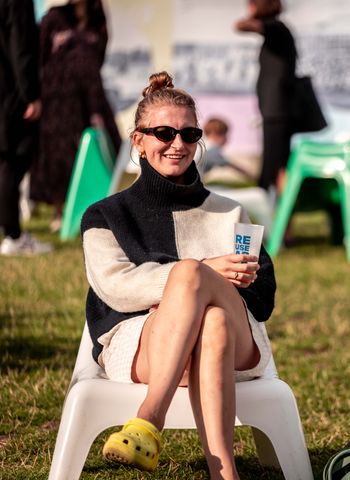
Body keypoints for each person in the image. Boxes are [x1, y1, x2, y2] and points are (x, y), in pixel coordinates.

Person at [80, 71, 275, 479]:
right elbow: (114, 287)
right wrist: (196, 275)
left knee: (212, 303)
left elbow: (263, 300)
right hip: (142, 346)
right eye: (164, 133)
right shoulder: (105, 214)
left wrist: (224, 281)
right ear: (139, 140)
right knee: (201, 295)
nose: (178, 144)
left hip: (236, 353)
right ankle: (224, 473)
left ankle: (148, 421)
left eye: (189, 134)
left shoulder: (230, 211)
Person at [31, 0, 121, 232]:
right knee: (58, 153)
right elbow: (39, 57)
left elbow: (99, 55)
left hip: (91, 98)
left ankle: (100, 209)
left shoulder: (97, 18)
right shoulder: (54, 17)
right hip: (58, 100)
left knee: (106, 148)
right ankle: (59, 211)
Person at [0, 0, 52, 255]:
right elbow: (21, 47)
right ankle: (13, 236)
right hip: (12, 96)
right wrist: (31, 95)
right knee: (12, 163)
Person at [234, 0, 297, 193]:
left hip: (277, 111)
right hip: (274, 110)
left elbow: (241, 25)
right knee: (276, 164)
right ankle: (280, 212)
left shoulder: (277, 28)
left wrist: (256, 15)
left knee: (275, 165)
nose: (249, 8)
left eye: (253, 4)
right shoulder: (276, 31)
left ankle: (278, 212)